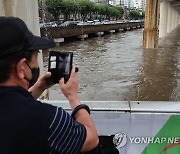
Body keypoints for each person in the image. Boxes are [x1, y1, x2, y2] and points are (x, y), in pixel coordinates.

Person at [0, 16, 99, 154]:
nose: (36, 65)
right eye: (36, 56)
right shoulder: (48, 119)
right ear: (22, 67)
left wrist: (39, 87)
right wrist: (72, 96)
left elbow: (12, 105)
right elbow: (91, 140)